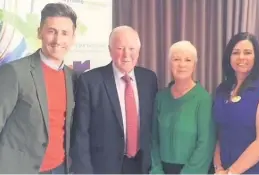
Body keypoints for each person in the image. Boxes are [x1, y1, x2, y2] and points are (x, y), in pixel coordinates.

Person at [0, 3, 77, 174]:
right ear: (39, 32)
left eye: (65, 33)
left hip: (61, 169)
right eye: (51, 31)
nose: (58, 40)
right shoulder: (14, 72)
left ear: (73, 38)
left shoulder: (74, 78)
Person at [70, 25, 158, 174]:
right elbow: (81, 133)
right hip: (104, 167)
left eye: (131, 49)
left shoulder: (149, 78)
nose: (126, 55)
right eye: (120, 48)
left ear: (139, 51)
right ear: (110, 50)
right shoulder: (90, 81)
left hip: (142, 165)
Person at [213, 32, 259, 174]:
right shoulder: (222, 89)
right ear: (229, 57)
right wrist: (218, 167)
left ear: (255, 57)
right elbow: (219, 134)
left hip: (257, 169)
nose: (241, 57)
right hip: (224, 169)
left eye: (248, 52)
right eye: (236, 52)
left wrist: (232, 172)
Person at [150, 41, 216, 174]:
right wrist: (156, 171)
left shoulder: (203, 99)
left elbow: (206, 144)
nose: (182, 64)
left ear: (194, 65)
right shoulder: (160, 98)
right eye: (176, 59)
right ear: (169, 64)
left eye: (188, 60)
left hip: (193, 171)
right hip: (162, 170)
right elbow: (153, 140)